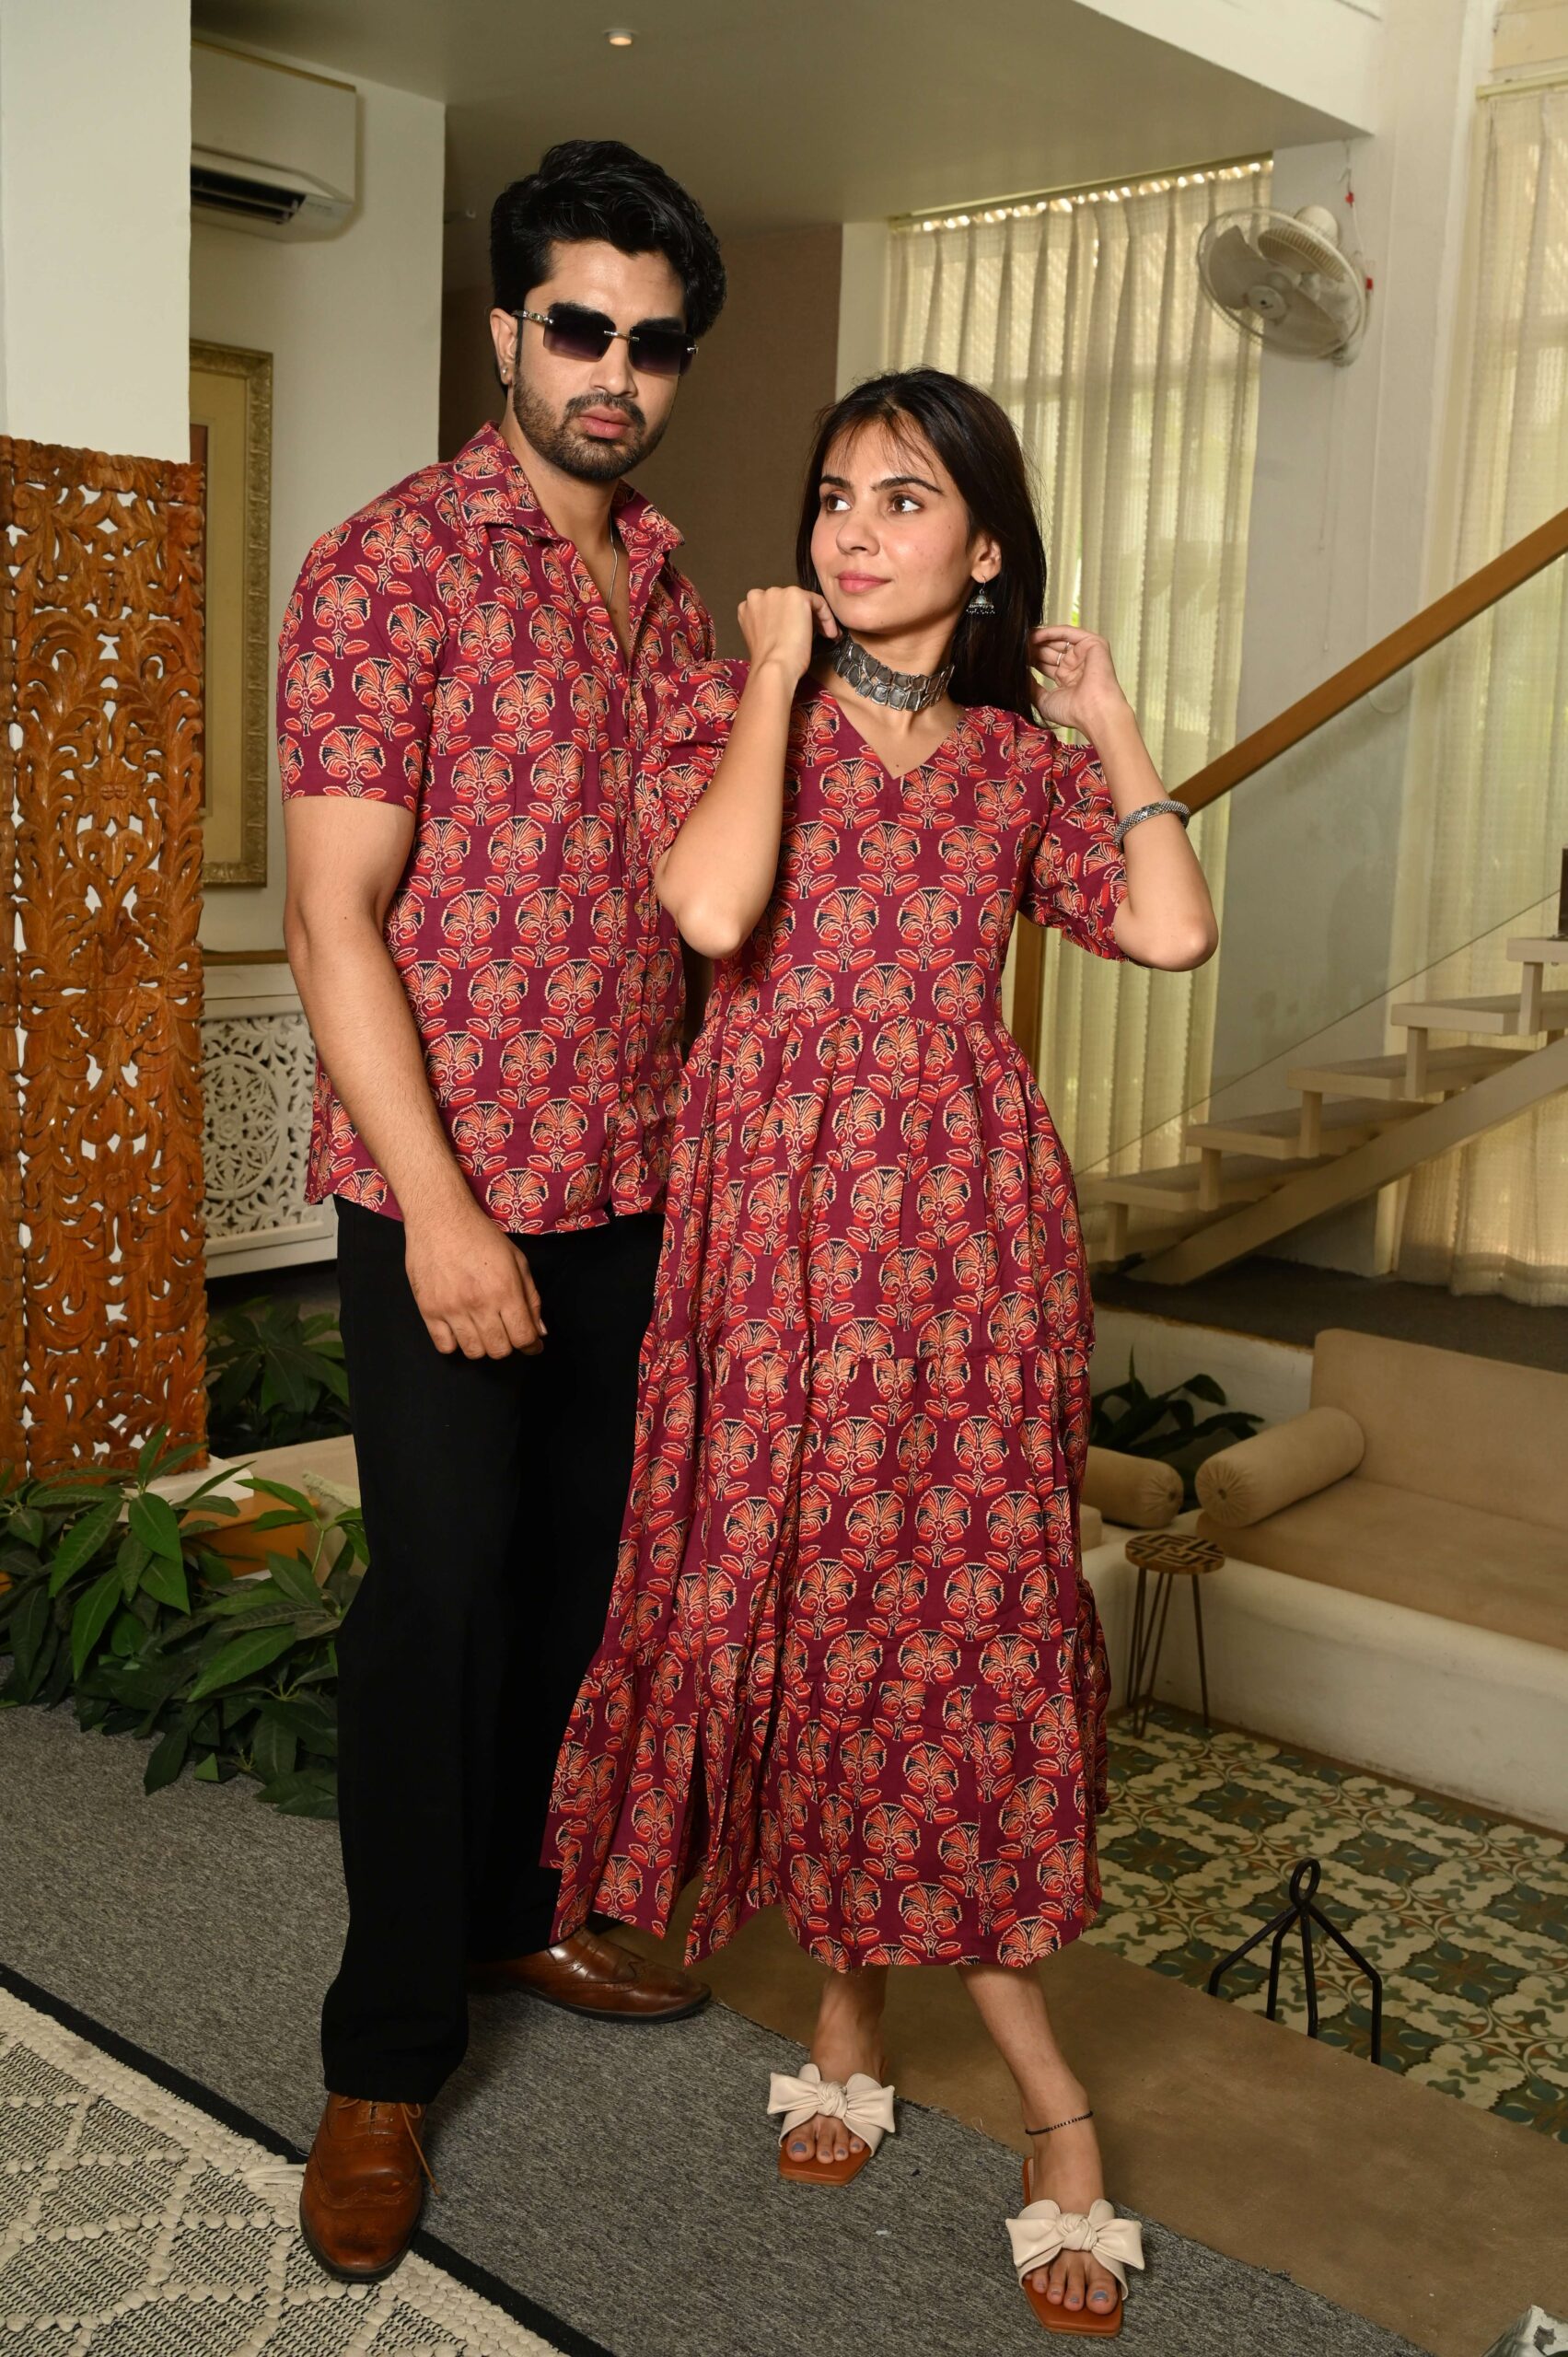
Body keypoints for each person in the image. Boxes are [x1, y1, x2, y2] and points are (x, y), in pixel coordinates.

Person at [545, 367, 1217, 2335]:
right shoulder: (725, 706)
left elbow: (1171, 932)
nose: (852, 529)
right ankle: (853, 2004)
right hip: (773, 1223)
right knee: (815, 1600)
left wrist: (1111, 721)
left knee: (964, 1615)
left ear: (985, 548)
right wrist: (771, 680)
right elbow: (710, 906)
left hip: (967, 1244)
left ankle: (1036, 2089)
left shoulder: (1017, 762)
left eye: (904, 499)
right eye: (835, 495)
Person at [278, 139, 726, 2283]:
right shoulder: (390, 568)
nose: (614, 371)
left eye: (653, 342)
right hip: (443, 1186)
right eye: (579, 328)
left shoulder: (676, 588)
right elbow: (333, 917)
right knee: (439, 1596)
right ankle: (382, 2055)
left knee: (572, 1585)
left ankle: (515, 1913)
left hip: (633, 1178)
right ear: (505, 333)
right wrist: (447, 1217)